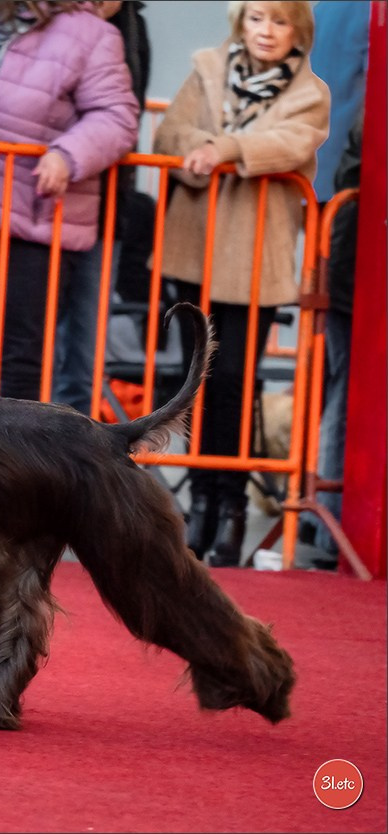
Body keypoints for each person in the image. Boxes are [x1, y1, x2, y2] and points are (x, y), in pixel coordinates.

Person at [153, 0, 328, 567]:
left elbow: (292, 144)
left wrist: (222, 148)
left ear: (297, 31)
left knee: (233, 381)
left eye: (279, 21)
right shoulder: (205, 67)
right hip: (195, 251)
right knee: (194, 386)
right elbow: (170, 134)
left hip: (257, 261)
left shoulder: (310, 92)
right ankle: (199, 505)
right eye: (256, 18)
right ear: (240, 24)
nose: (267, 31)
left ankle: (228, 508)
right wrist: (196, 152)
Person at [0, 0, 138, 401]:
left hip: (34, 226)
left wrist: (68, 156)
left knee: (19, 371)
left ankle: (11, 465)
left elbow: (116, 116)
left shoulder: (91, 33)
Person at [50, 0, 150, 413]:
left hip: (106, 208)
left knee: (83, 355)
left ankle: (68, 467)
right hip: (45, 205)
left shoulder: (131, 28)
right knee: (29, 348)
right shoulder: (47, 22)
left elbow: (126, 119)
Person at [300, 0, 369, 564]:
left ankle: (323, 529)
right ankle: (329, 532)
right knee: (344, 392)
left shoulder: (329, 9)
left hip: (331, 216)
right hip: (351, 244)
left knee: (336, 389)